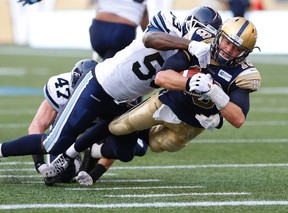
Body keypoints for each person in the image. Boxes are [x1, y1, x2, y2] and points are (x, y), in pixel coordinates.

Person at [0, 8, 221, 180]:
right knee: (52, 144)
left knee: (125, 151)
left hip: (124, 101)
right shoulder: (170, 23)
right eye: (205, 34)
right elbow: (150, 39)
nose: (206, 41)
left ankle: (84, 152)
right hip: (98, 86)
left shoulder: (193, 57)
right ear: (194, 25)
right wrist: (190, 44)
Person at [75, 16, 261, 185]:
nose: (228, 50)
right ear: (218, 35)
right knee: (121, 128)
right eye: (227, 42)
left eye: (237, 48)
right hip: (166, 103)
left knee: (154, 145)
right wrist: (189, 83)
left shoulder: (244, 74)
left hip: (192, 124)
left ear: (246, 53)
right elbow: (161, 78)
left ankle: (94, 155)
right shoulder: (199, 45)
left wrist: (215, 93)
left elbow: (238, 119)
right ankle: (75, 154)